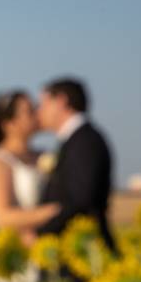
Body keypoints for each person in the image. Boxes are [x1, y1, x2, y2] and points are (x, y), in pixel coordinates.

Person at [0, 90, 60, 239]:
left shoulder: (44, 156)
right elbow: (2, 215)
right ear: (9, 124)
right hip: (10, 248)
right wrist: (56, 211)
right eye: (29, 111)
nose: (37, 114)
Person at [35, 77, 116, 251]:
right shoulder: (77, 139)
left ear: (61, 101)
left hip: (83, 251)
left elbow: (81, 200)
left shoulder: (85, 141)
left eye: (44, 104)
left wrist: (40, 233)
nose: (40, 112)